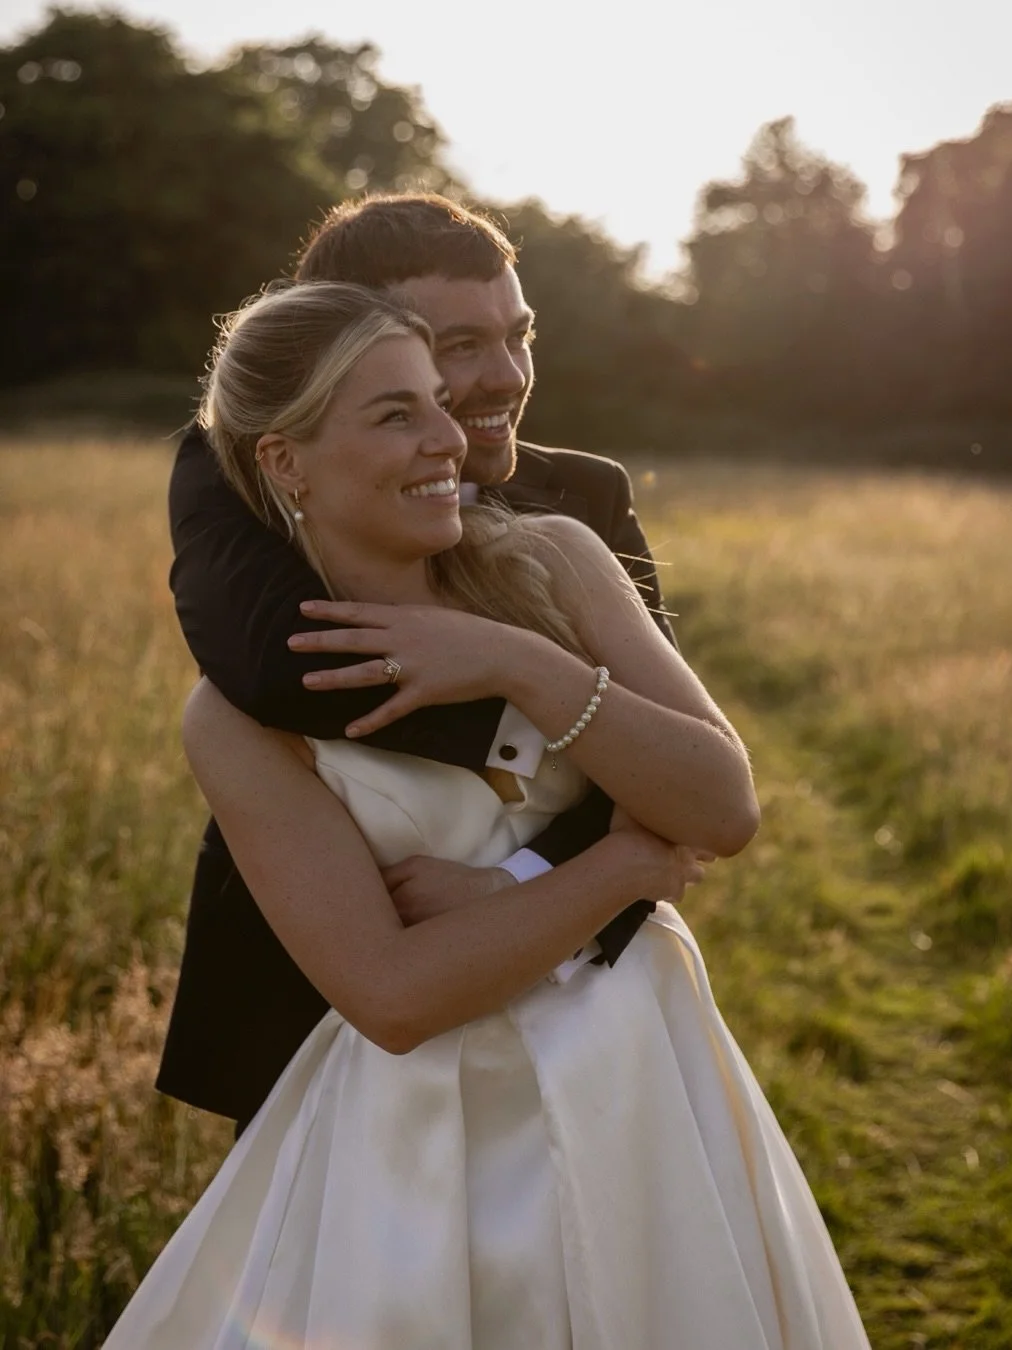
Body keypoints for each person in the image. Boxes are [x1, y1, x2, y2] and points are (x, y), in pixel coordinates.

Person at [106, 279, 869, 1349]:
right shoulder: (235, 721)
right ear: (285, 461)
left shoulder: (554, 561)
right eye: (394, 414)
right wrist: (619, 870)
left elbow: (725, 804)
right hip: (423, 1139)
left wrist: (517, 661)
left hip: (644, 1078)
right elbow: (393, 994)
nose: (447, 438)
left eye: (436, 400)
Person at [158, 194, 679, 1133]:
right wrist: (537, 711)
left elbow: (663, 751)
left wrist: (530, 879)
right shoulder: (238, 471)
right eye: (457, 347)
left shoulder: (582, 501)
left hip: (589, 1013)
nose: (507, 377)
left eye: (519, 335)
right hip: (321, 1020)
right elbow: (276, 664)